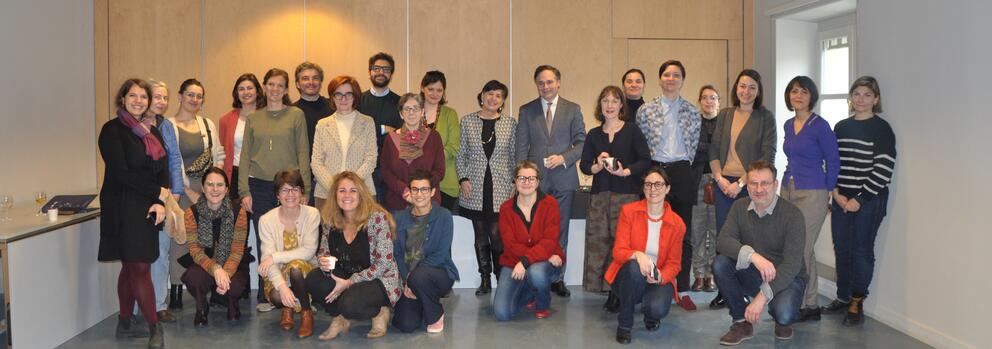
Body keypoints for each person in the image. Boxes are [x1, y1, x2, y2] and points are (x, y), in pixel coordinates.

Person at [98, 78, 169, 348]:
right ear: (123, 98)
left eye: (143, 97)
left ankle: (125, 322)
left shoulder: (152, 130)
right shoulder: (112, 130)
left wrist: (160, 201)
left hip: (148, 206)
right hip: (122, 206)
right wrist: (158, 193)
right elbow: (121, 173)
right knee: (139, 267)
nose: (138, 101)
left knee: (132, 266)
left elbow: (163, 168)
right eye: (133, 96)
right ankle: (154, 328)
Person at [822, 76, 896, 326]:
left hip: (870, 200)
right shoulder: (841, 127)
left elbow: (884, 169)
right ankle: (842, 297)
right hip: (841, 197)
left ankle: (856, 301)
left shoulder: (881, 129)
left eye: (867, 95)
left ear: (876, 99)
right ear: (850, 98)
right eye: (857, 94)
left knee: (861, 250)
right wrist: (836, 192)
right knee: (842, 248)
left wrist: (860, 199)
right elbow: (832, 163)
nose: (861, 99)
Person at [238, 68, 312, 310]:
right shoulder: (254, 118)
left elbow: (303, 152)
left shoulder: (296, 115)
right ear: (265, 87)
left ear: (286, 89)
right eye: (271, 84)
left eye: (280, 85)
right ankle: (266, 294)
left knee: (292, 237)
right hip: (259, 185)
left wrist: (305, 190)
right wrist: (244, 191)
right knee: (265, 241)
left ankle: (296, 289)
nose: (275, 89)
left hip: (290, 185)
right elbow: (245, 156)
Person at [713, 160, 806, 346]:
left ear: (775, 185)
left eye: (765, 183)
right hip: (755, 272)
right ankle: (741, 322)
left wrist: (761, 297)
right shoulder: (739, 207)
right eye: (753, 183)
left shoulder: (793, 215)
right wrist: (754, 256)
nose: (759, 189)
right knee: (720, 263)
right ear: (747, 185)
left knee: (784, 314)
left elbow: (793, 264)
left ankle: (781, 318)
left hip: (787, 278)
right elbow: (722, 241)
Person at [635, 60, 701, 310]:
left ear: (682, 80)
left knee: (683, 235)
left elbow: (694, 147)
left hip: (682, 171)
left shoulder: (692, 111)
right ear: (660, 79)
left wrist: (681, 169)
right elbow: (642, 145)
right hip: (655, 170)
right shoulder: (646, 111)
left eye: (676, 75)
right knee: (651, 232)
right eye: (666, 74)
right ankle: (650, 285)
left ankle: (682, 289)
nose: (671, 78)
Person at [708, 69, 776, 309]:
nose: (746, 91)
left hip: (751, 186)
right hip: (723, 184)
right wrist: (720, 180)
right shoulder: (725, 114)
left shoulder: (765, 118)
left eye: (752, 87)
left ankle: (746, 289)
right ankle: (725, 289)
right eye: (742, 86)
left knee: (749, 238)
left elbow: (768, 155)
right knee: (724, 238)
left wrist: (740, 183)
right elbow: (714, 149)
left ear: (758, 92)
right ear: (736, 88)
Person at [515, 65, 585, 297]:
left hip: (564, 180)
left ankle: (557, 278)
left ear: (558, 82)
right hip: (535, 184)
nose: (545, 86)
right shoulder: (526, 110)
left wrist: (564, 158)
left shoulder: (573, 109)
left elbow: (582, 143)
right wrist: (522, 178)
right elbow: (521, 146)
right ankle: (536, 276)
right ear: (537, 85)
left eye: (550, 82)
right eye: (541, 83)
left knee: (560, 231)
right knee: (533, 231)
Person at [305, 171, 401, 340]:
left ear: (361, 194)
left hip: (377, 279)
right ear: (335, 194)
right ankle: (339, 319)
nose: (347, 195)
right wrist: (323, 262)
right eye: (342, 190)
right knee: (313, 279)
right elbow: (323, 251)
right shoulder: (330, 220)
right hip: (346, 275)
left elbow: (384, 263)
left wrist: (350, 282)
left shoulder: (377, 219)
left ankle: (379, 311)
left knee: (350, 304)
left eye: (353, 190)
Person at [578, 86, 651, 305]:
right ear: (600, 106)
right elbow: (584, 165)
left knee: (623, 245)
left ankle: (618, 292)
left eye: (614, 101)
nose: (609, 105)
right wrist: (597, 166)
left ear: (621, 105)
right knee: (599, 243)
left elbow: (645, 160)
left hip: (626, 196)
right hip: (600, 196)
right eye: (605, 101)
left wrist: (625, 171)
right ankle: (605, 289)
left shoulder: (632, 130)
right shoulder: (593, 134)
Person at [780, 76, 839, 322]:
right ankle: (809, 303)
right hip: (787, 190)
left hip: (813, 192)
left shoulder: (820, 126)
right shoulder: (787, 124)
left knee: (800, 249)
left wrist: (829, 192)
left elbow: (834, 160)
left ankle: (802, 303)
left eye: (804, 92)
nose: (798, 96)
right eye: (794, 91)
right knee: (803, 250)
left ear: (811, 96)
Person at [605, 167, 686, 344]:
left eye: (658, 184)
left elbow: (675, 264)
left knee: (656, 308)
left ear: (667, 188)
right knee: (635, 268)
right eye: (648, 184)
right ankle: (625, 324)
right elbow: (618, 252)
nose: (652, 189)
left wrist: (661, 277)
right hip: (628, 276)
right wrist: (637, 255)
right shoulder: (629, 211)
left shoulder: (677, 223)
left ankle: (650, 314)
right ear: (643, 188)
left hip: (657, 279)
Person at [166, 78, 225, 309]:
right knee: (181, 241)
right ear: (180, 96)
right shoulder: (168, 126)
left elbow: (218, 155)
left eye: (199, 96)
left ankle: (209, 286)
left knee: (211, 240)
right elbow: (171, 161)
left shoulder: (207, 124)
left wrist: (214, 189)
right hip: (181, 193)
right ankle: (176, 292)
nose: (194, 99)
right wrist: (188, 190)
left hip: (208, 191)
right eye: (190, 94)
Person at [457, 80, 517, 296]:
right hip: (474, 186)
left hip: (501, 185)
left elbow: (514, 156)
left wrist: (514, 183)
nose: (493, 98)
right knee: (480, 232)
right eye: (489, 93)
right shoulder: (467, 122)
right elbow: (461, 153)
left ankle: (501, 277)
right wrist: (463, 178)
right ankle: (484, 278)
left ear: (502, 101)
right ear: (481, 96)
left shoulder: (510, 124)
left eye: (499, 95)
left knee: (497, 233)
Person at [493, 161, 565, 320]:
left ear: (538, 182)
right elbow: (510, 245)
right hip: (514, 261)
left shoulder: (550, 204)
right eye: (521, 178)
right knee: (502, 314)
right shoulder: (505, 208)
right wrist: (530, 259)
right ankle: (530, 291)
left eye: (531, 179)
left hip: (544, 264)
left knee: (537, 272)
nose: (526, 183)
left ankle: (542, 303)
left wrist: (526, 261)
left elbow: (549, 241)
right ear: (515, 181)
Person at [179, 167, 250, 326]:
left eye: (220, 185)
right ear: (203, 188)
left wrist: (225, 273)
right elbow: (196, 251)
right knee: (193, 278)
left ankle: (232, 304)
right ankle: (201, 307)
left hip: (233, 263)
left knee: (235, 285)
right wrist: (216, 269)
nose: (215, 189)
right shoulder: (191, 213)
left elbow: (237, 250)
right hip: (204, 264)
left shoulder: (239, 213)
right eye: (210, 184)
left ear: (226, 189)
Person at [391, 170, 459, 333]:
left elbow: (441, 254)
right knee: (405, 324)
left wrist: (412, 277)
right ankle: (423, 300)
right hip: (410, 280)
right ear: (409, 191)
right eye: (415, 189)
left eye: (424, 189)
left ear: (432, 192)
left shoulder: (444, 216)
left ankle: (435, 314)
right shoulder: (398, 217)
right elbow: (398, 254)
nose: (419, 194)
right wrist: (407, 280)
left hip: (439, 275)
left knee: (419, 277)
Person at [258, 170, 321, 338]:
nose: (290, 194)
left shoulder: (312, 214)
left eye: (295, 189)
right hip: (277, 272)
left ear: (302, 192)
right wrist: (282, 286)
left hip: (305, 270)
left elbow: (308, 251)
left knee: (295, 268)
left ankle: (306, 314)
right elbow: (267, 260)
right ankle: (287, 307)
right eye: (285, 190)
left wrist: (274, 257)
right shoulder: (266, 220)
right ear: (277, 195)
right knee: (278, 296)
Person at [144, 79, 183, 322]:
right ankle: (140, 307)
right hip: (140, 197)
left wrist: (175, 191)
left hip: (165, 196)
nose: (162, 102)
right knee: (139, 256)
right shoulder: (132, 125)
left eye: (165, 98)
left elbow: (175, 158)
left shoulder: (166, 125)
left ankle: (159, 305)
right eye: (157, 97)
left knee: (161, 252)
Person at [311, 75, 378, 210]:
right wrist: (336, 187)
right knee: (330, 231)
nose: (343, 99)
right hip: (327, 193)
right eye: (338, 94)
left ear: (355, 96)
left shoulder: (367, 122)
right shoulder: (322, 125)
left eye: (348, 94)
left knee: (361, 231)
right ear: (332, 96)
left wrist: (351, 187)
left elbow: (371, 159)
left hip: (362, 191)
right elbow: (316, 162)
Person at [380, 93, 445, 211]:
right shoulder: (391, 139)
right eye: (407, 109)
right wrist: (405, 191)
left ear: (422, 112)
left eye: (415, 108)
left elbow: (440, 171)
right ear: (401, 114)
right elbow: (385, 171)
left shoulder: (434, 137)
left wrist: (421, 191)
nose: (411, 112)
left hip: (428, 203)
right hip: (397, 202)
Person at [357, 52, 403, 203]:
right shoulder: (358, 100)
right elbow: (355, 130)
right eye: (376, 68)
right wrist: (383, 129)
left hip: (390, 171)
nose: (381, 72)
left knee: (386, 220)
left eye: (386, 69)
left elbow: (401, 135)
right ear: (369, 71)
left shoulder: (400, 102)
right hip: (361, 169)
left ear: (391, 74)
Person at [690, 85, 720, 293]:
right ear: (699, 101)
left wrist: (705, 150)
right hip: (697, 180)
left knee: (716, 231)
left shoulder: (725, 123)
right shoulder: (693, 123)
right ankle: (699, 274)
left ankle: (711, 275)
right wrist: (711, 150)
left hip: (720, 182)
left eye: (713, 98)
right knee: (698, 230)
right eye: (705, 98)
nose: (709, 101)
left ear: (718, 101)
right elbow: (692, 151)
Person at [219, 73, 263, 215]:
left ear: (257, 91)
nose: (246, 92)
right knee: (238, 224)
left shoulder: (267, 116)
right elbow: (222, 152)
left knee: (261, 220)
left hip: (260, 176)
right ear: (236, 93)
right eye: (241, 89)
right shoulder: (226, 120)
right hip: (235, 175)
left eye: (250, 88)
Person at [420, 71, 461, 212]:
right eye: (430, 89)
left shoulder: (450, 114)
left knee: (444, 229)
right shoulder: (414, 113)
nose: (434, 94)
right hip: (420, 183)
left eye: (439, 90)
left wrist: (431, 160)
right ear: (422, 88)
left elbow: (454, 146)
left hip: (446, 183)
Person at [293, 62, 334, 204]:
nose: (311, 82)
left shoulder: (334, 108)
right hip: (302, 180)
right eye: (305, 78)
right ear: (297, 84)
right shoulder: (291, 112)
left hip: (330, 179)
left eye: (315, 78)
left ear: (321, 82)